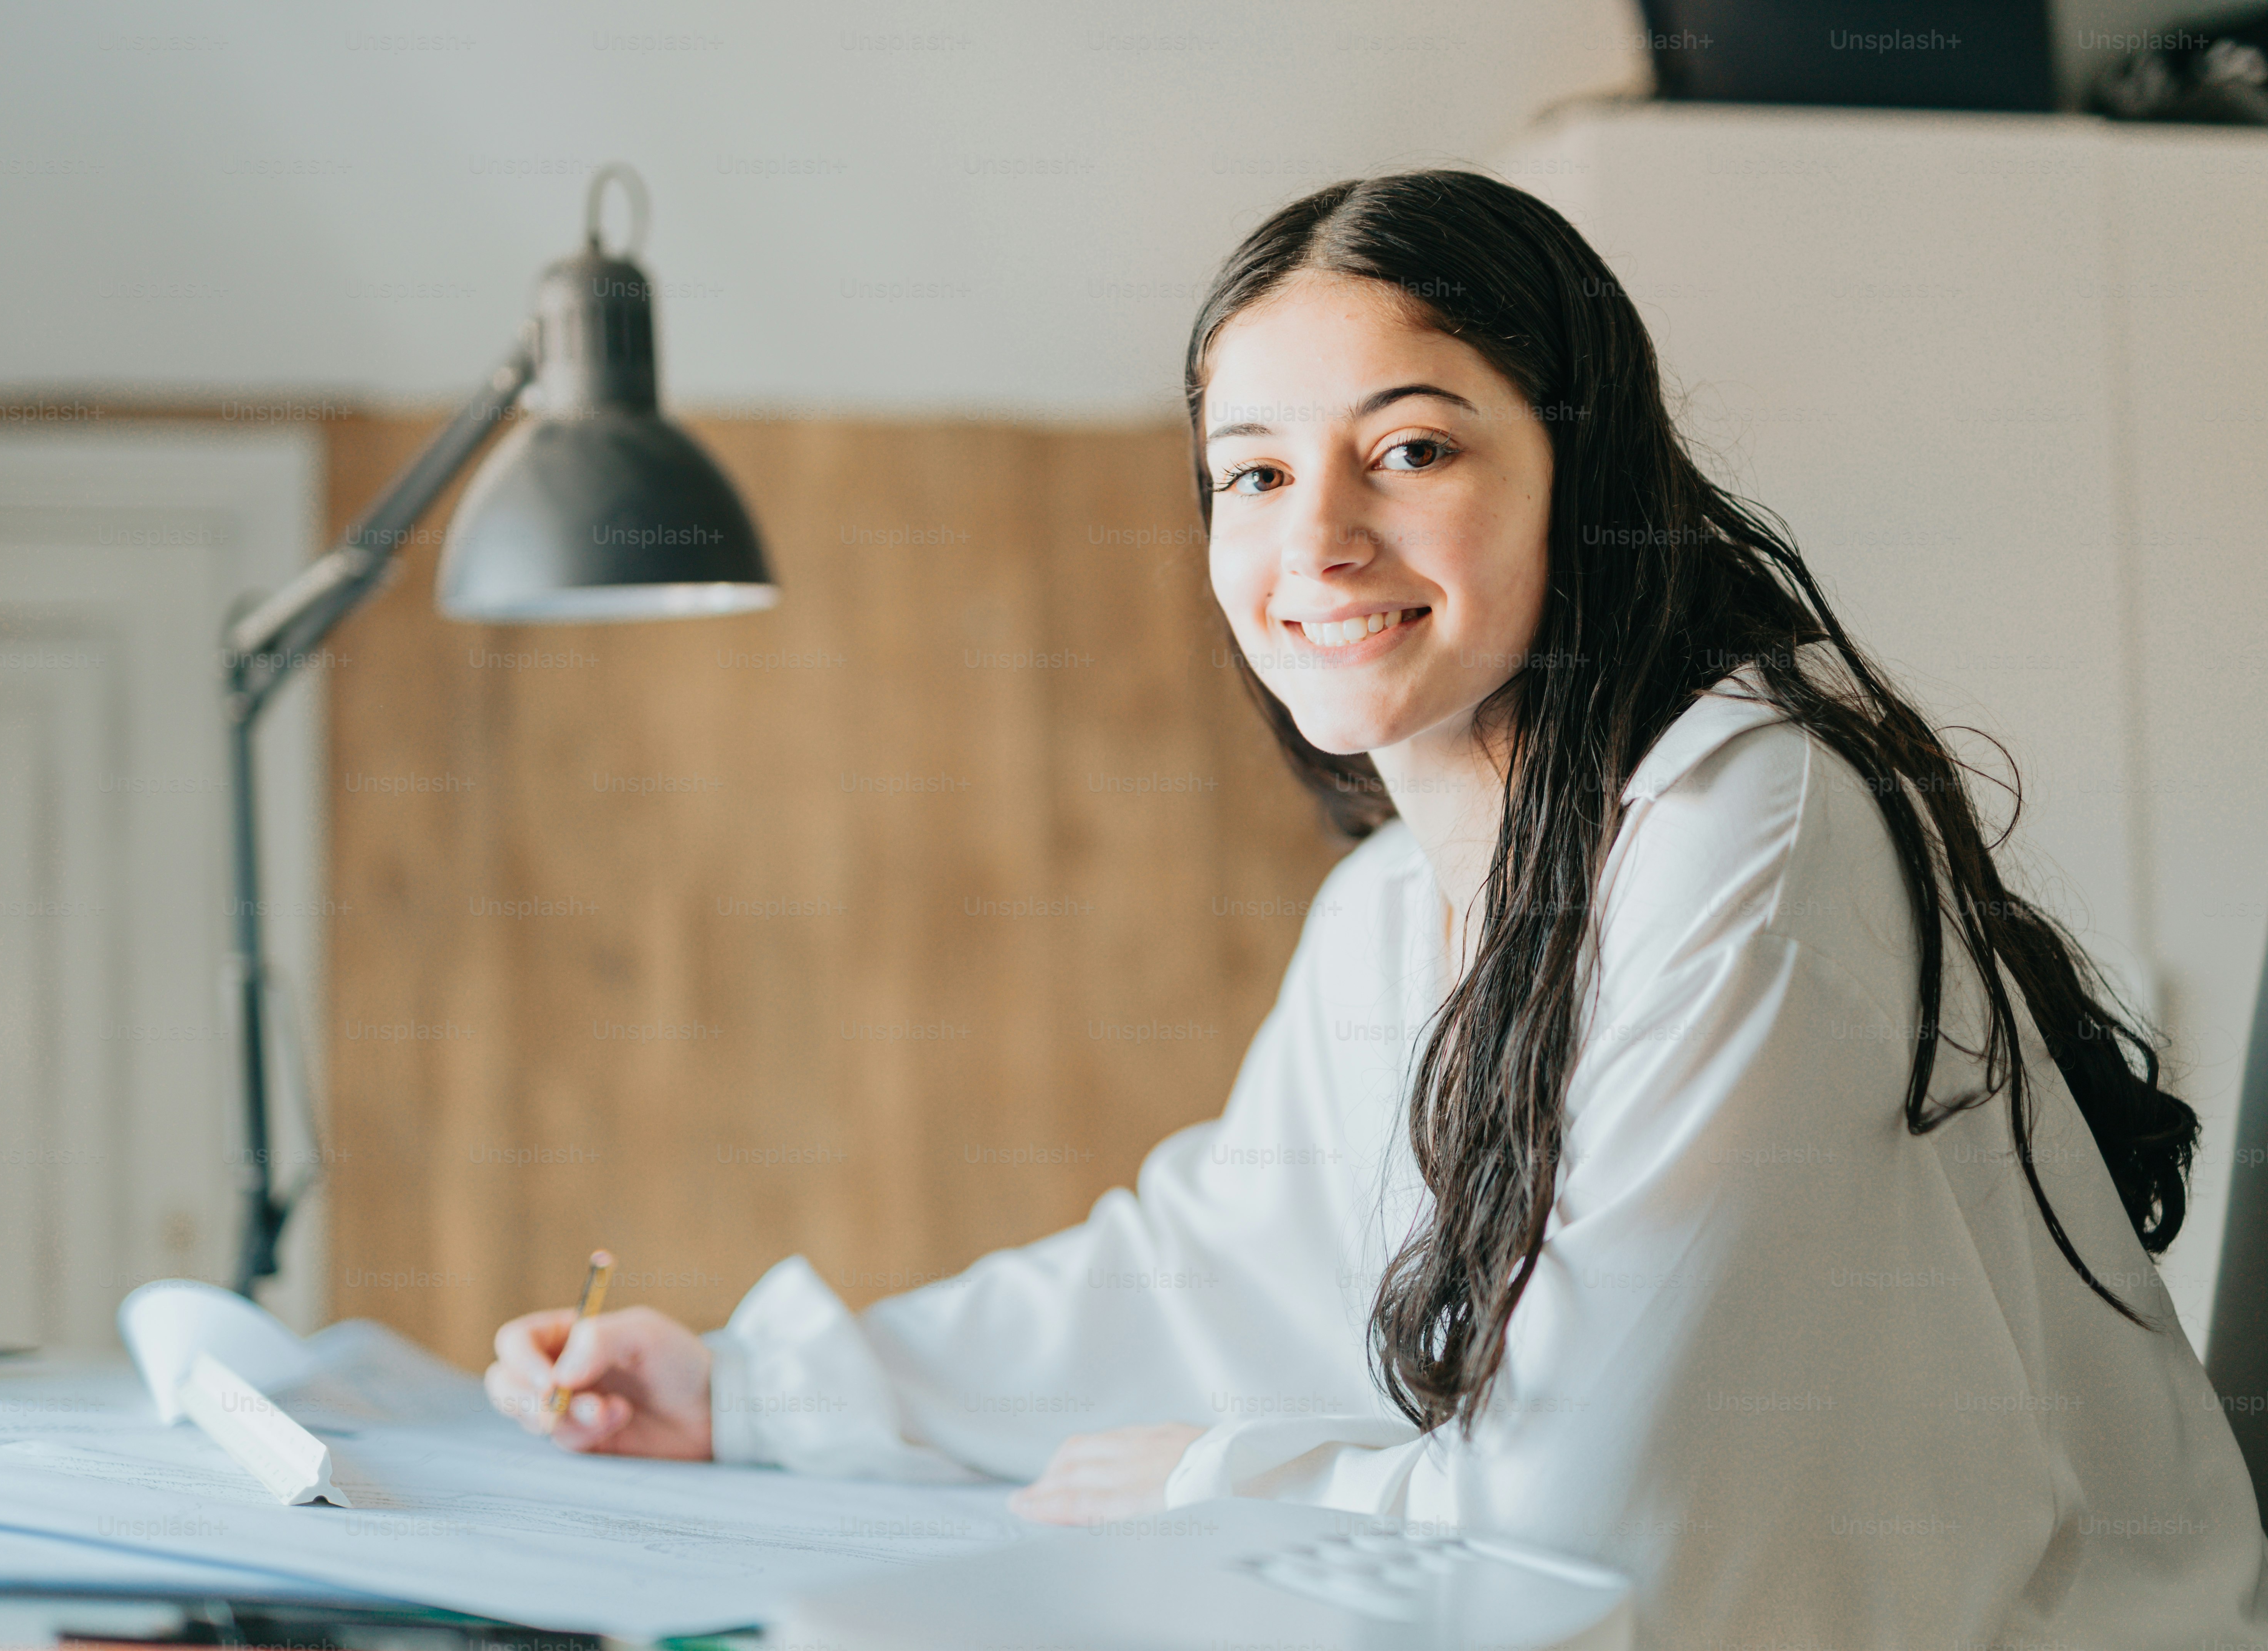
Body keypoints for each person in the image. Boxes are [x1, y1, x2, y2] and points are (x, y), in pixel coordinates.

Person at [485, 170, 2266, 1644]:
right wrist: (749, 1388)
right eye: (1250, 472)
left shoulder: (1748, 818)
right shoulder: (1379, 914)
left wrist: (1210, 1477)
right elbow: (1201, 1274)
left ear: (1583, 470)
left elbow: (1603, 1527)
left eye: (1409, 450)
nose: (1314, 538)